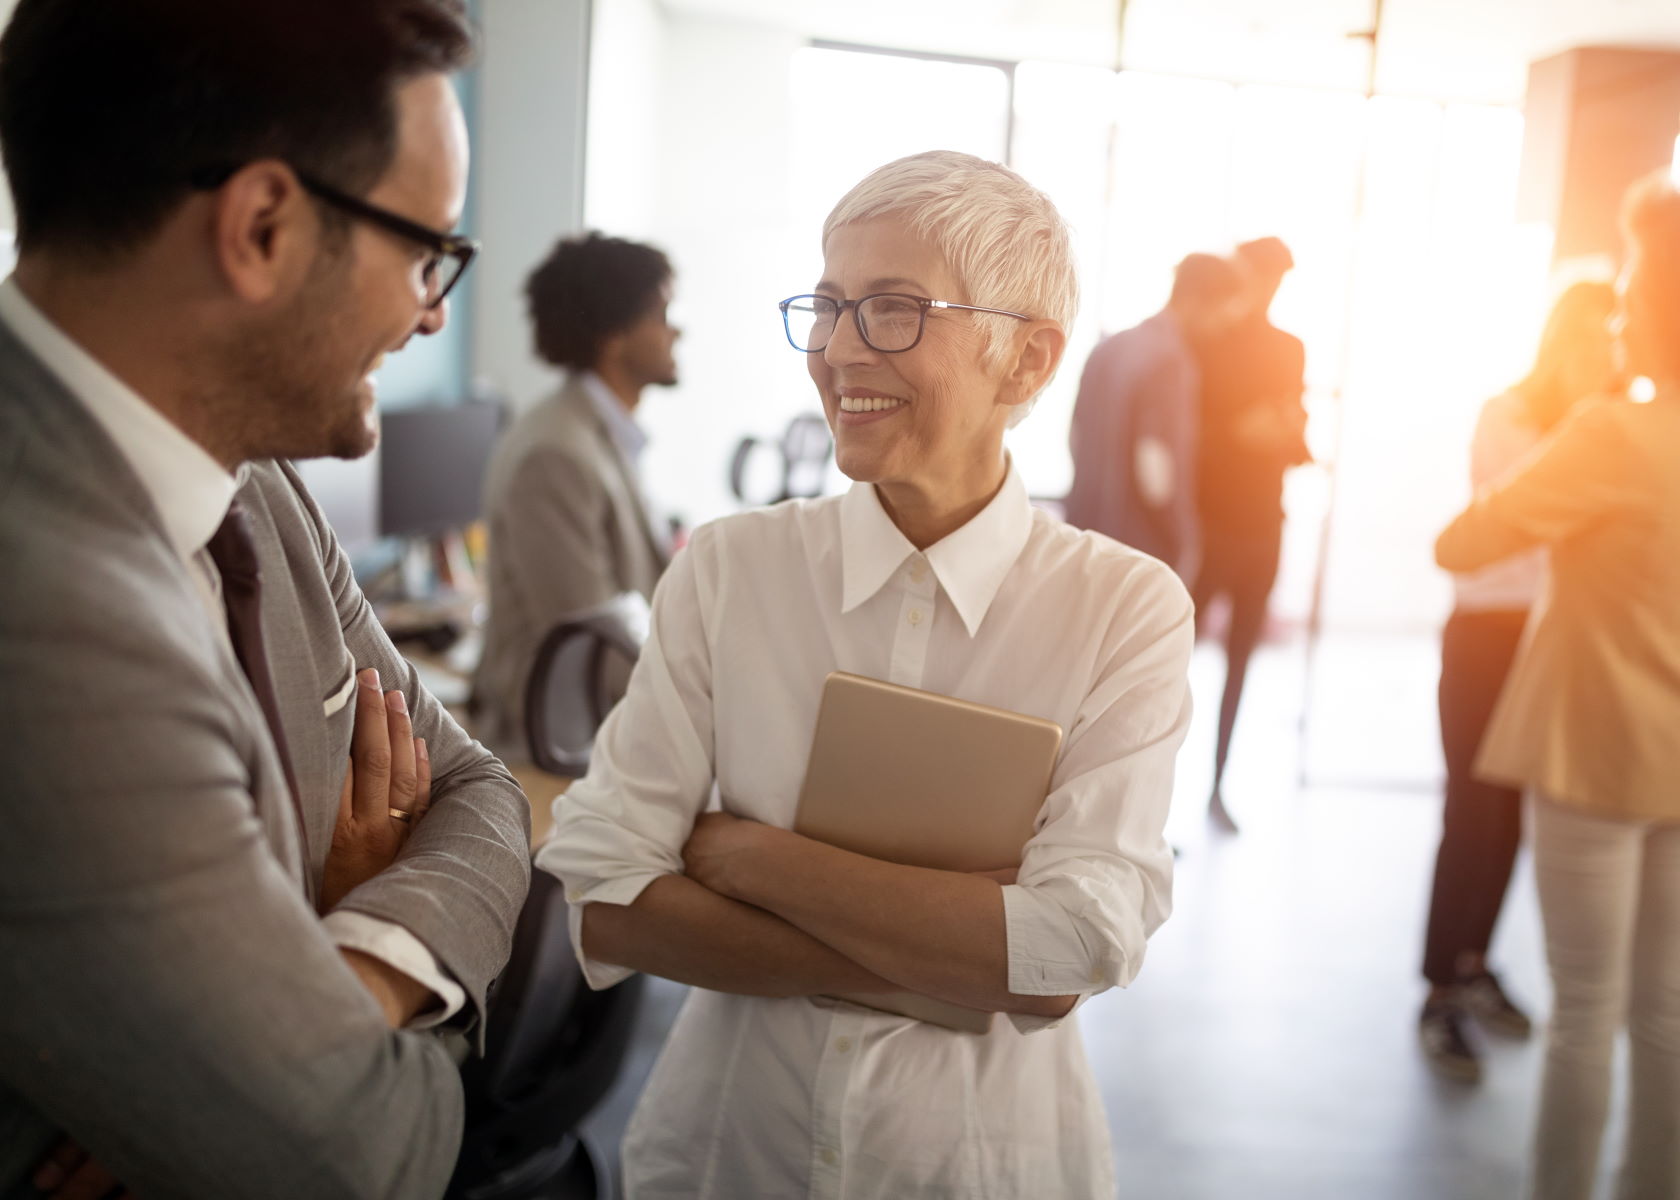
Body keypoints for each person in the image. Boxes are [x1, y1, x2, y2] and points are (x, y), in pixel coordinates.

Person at [538, 149, 1193, 1198]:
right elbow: (605, 898)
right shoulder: (731, 568)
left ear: (1025, 362)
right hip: (730, 1151)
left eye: (891, 309)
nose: (839, 349)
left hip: (976, 1163)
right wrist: (960, 959)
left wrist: (748, 861)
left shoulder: (1123, 608)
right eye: (829, 306)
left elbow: (1075, 941)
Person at [0, 2, 532, 1197]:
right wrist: (332, 1043)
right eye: (425, 250)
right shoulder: (44, 614)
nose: (432, 310)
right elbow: (352, 1159)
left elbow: (483, 792)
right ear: (262, 227)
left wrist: (352, 970)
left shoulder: (263, 485)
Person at [1435, 172, 1680, 1200]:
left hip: (1593, 744)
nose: (1618, 307)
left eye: (1630, 284)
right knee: (1664, 1014)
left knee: (1584, 1014)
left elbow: (1464, 540)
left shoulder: (1611, 435)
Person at [1418, 280, 1621, 1084]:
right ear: (1568, 338)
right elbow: (1515, 533)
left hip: (1549, 642)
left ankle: (1473, 965)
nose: (1611, 350)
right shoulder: (1511, 415)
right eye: (1600, 335)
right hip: (1487, 639)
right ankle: (1438, 989)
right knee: (1471, 814)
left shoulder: (1605, 427)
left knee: (1509, 819)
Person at [471, 232, 678, 756]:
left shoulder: (602, 435)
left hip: (601, 731)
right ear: (613, 335)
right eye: (660, 313)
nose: (676, 331)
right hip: (556, 750)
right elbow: (596, 649)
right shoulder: (555, 454)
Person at [1190, 237, 1312, 831]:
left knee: (1241, 661)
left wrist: (1277, 431)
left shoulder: (1290, 348)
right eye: (1265, 277)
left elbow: (1298, 430)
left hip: (1265, 525)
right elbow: (1195, 436)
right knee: (1168, 660)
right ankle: (1148, 795)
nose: (1270, 290)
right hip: (1211, 526)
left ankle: (1218, 786)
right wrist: (1242, 434)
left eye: (1279, 280)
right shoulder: (1207, 341)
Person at [1063, 252, 1247, 581]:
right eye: (1222, 311)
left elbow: (1075, 439)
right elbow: (1155, 470)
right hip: (1137, 552)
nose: (1223, 326)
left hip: (1082, 536)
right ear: (1199, 300)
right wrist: (1183, 542)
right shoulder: (1172, 361)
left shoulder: (1107, 348)